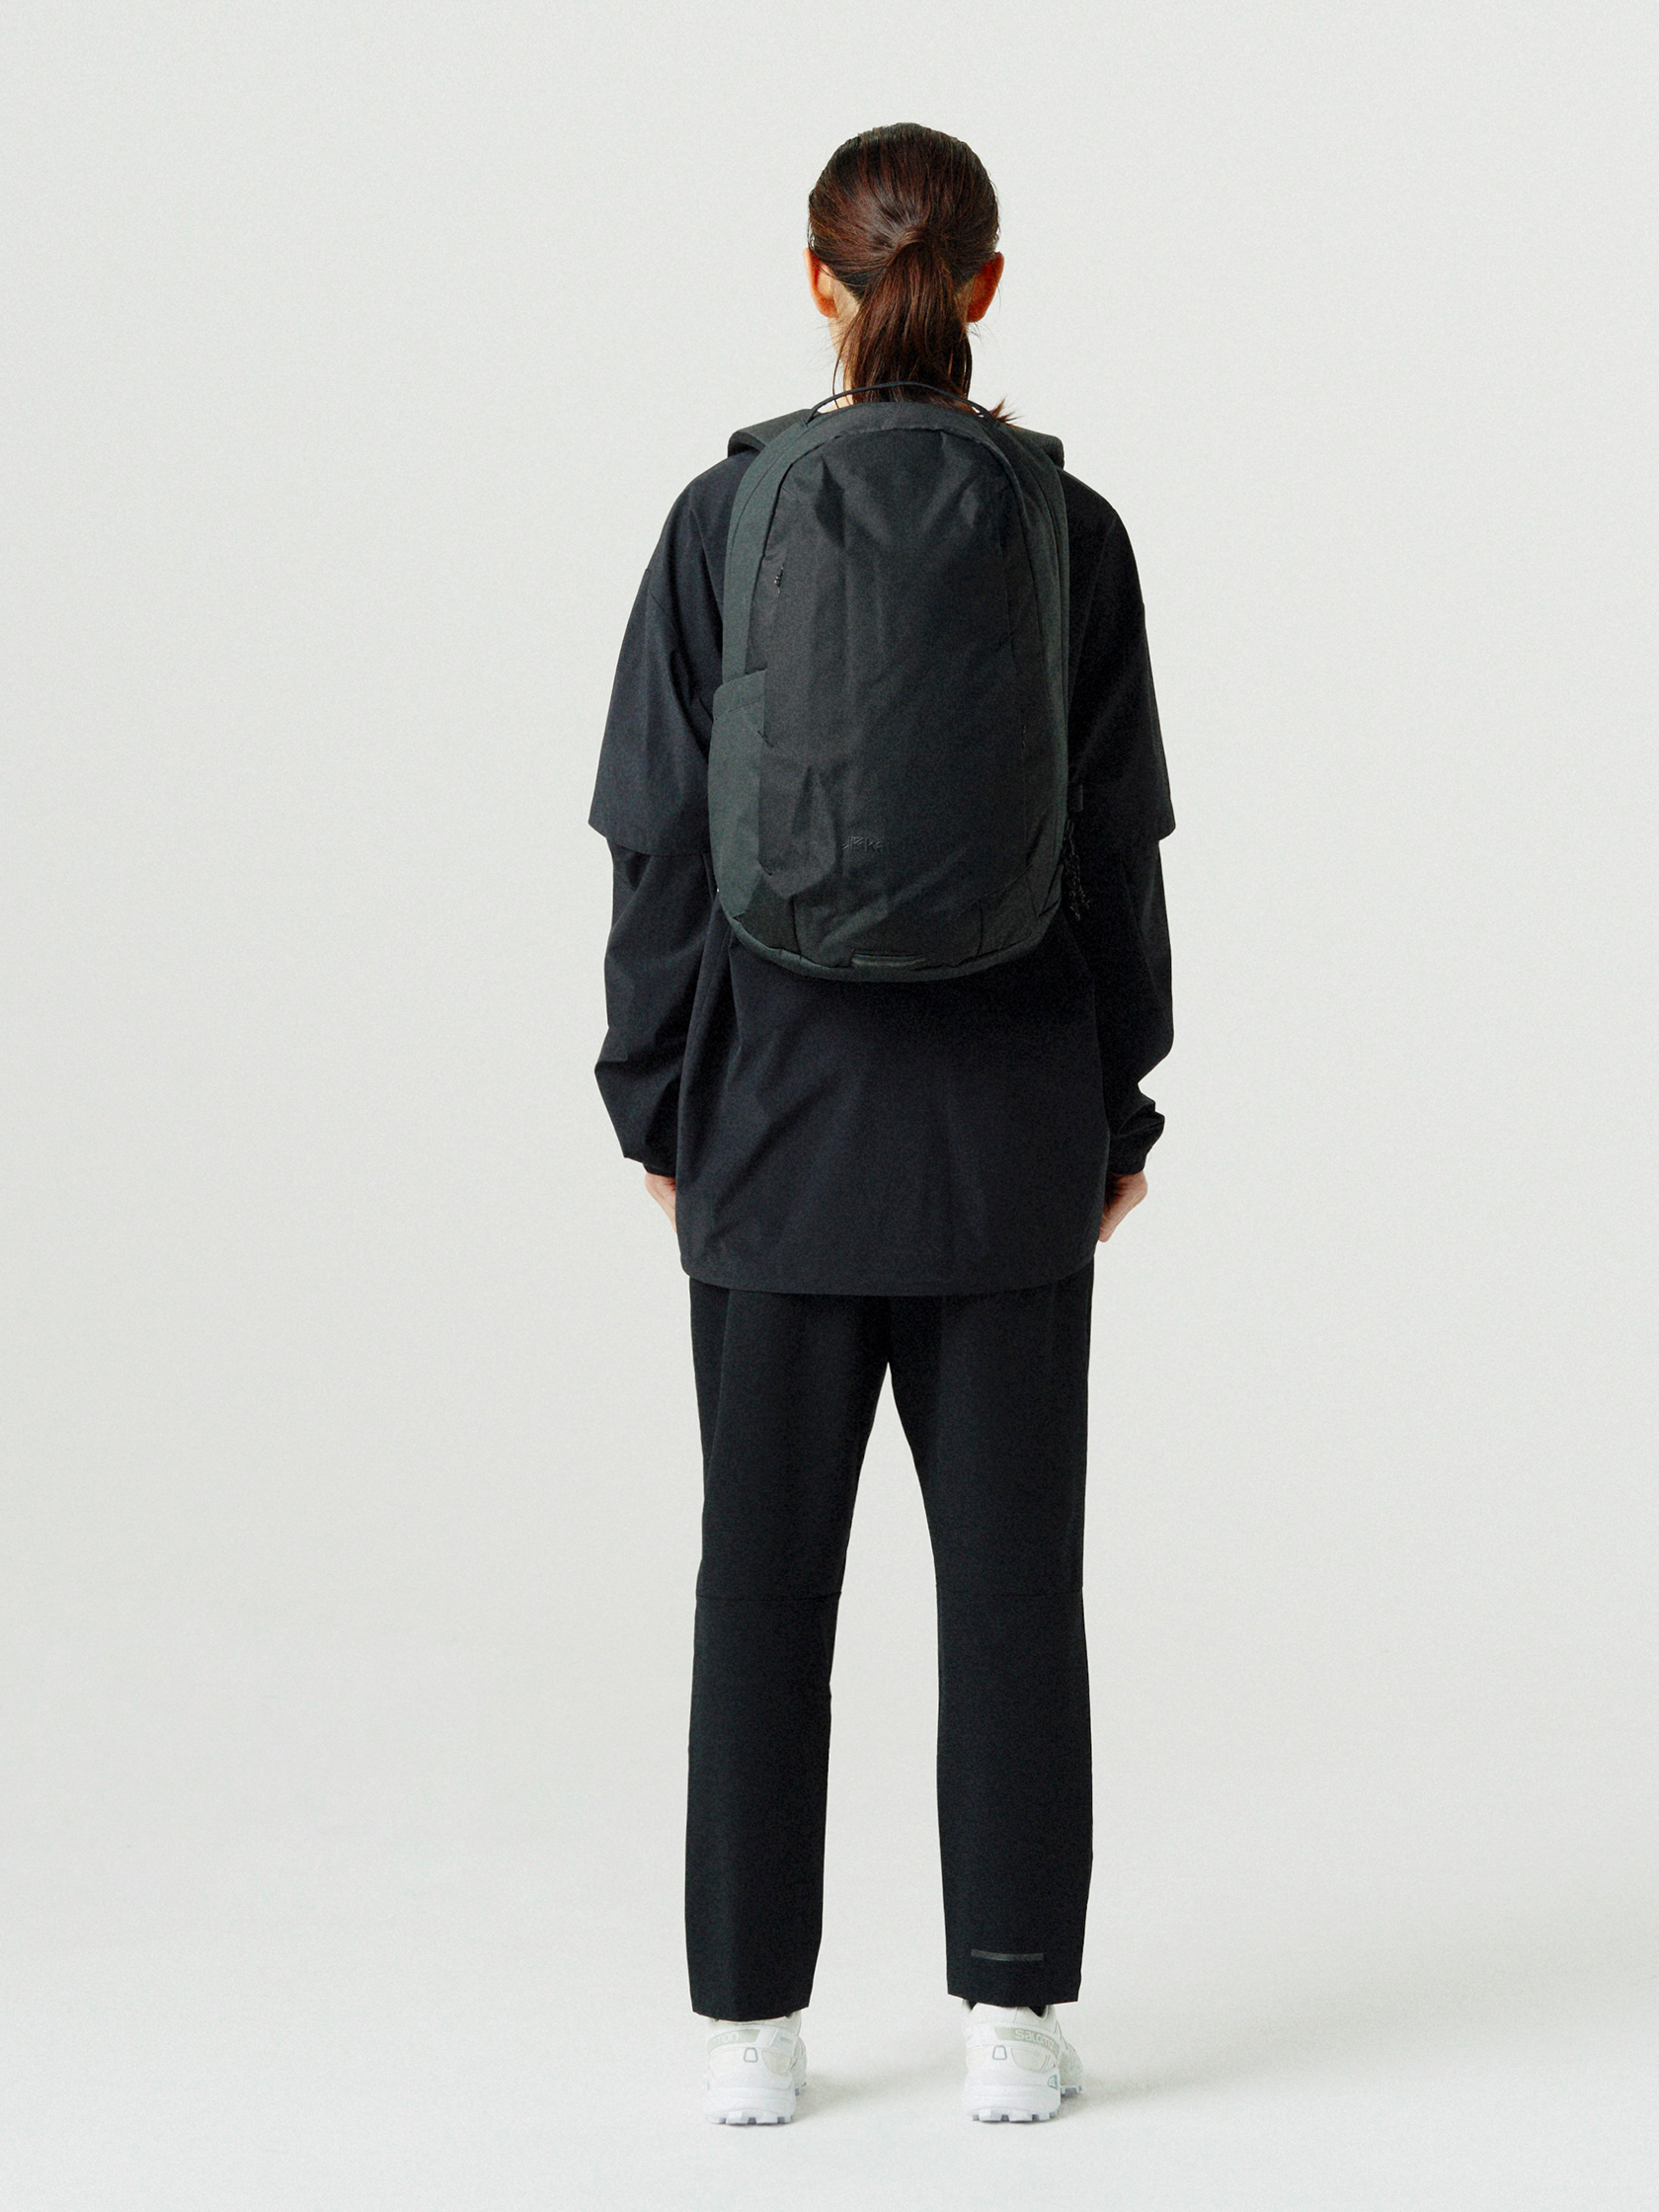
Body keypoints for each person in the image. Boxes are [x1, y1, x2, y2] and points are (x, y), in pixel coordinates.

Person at [590, 121, 1174, 2125]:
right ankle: (1009, 2015)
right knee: (1013, 1589)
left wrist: (653, 1098)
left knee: (762, 1590)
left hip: (769, 1129)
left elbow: (658, 843)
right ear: (986, 284)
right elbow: (1117, 848)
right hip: (1006, 1141)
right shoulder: (1071, 530)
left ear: (818, 282)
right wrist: (1119, 1112)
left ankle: (752, 2031)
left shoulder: (718, 519)